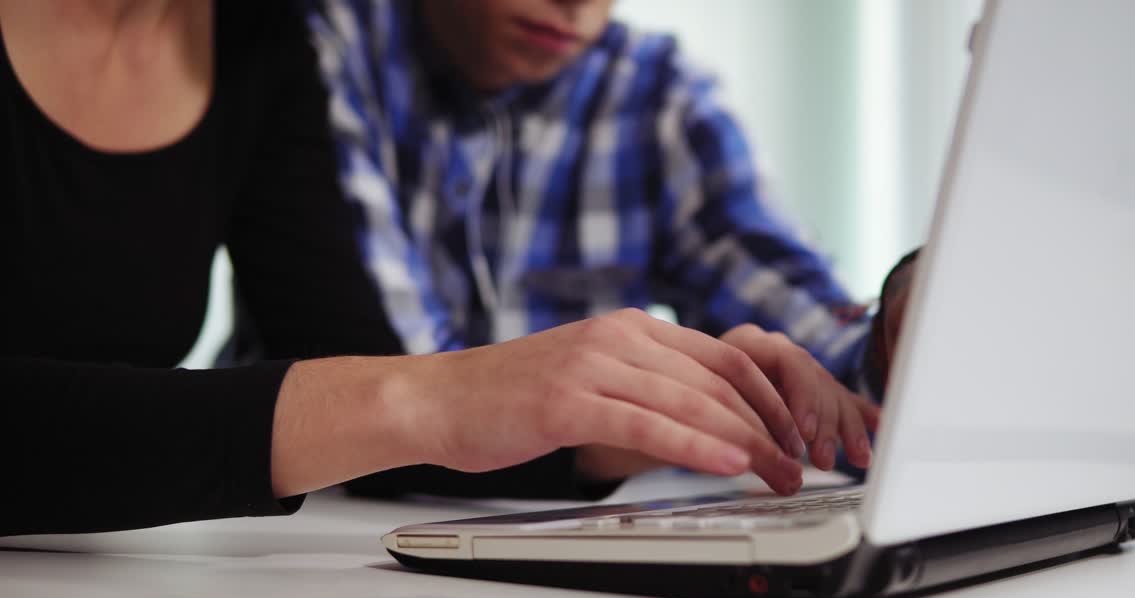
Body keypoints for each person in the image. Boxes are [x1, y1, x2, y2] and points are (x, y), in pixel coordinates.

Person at [0, 0, 872, 536]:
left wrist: (634, 409)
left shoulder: (255, 35)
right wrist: (425, 398)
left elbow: (361, 386)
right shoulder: (328, 35)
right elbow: (386, 401)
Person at [298, 0, 918, 484]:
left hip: (567, 513)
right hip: (307, 519)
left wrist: (895, 341)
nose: (577, 5)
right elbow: (390, 384)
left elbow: (808, 346)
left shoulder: (660, 93)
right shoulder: (322, 42)